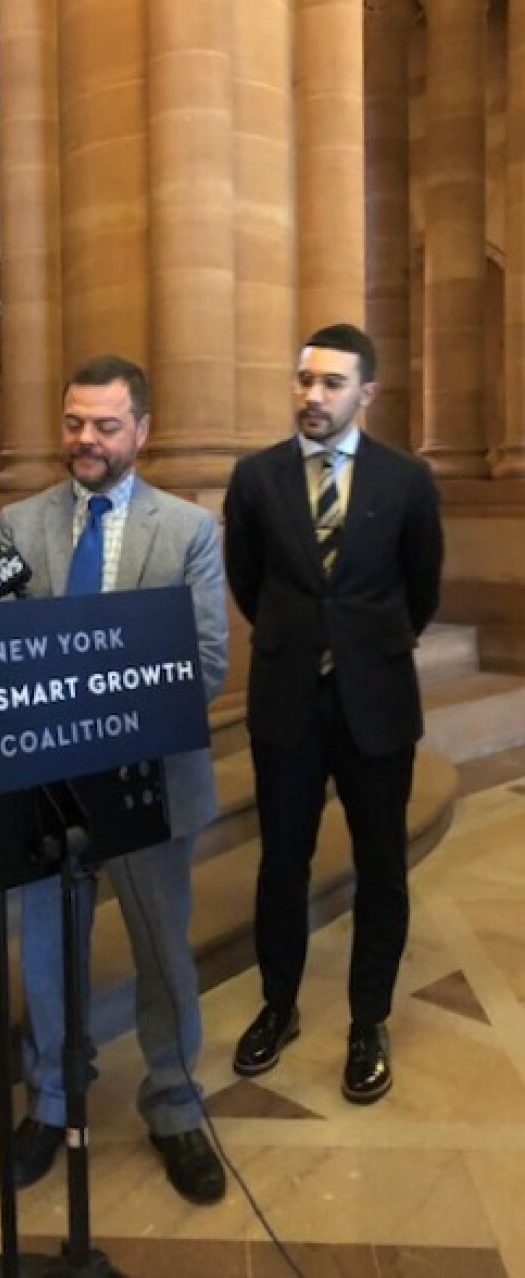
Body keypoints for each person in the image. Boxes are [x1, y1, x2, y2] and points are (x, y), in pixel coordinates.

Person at [0, 354, 229, 1205]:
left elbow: (205, 666)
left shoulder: (189, 531)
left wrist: (95, 709)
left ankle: (173, 1104)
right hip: (48, 789)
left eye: (103, 425)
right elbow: (4, 656)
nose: (84, 440)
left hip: (151, 786)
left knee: (163, 953)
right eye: (72, 423)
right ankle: (52, 1101)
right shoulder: (20, 526)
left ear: (142, 431)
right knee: (48, 955)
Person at [223, 323, 444, 1103]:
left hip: (376, 705)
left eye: (330, 384)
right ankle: (278, 1006)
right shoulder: (254, 479)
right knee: (282, 862)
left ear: (365, 394)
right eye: (303, 380)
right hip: (286, 702)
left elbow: (422, 589)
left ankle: (367, 1022)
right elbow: (247, 582)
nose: (311, 397)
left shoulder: (407, 480)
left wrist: (364, 646)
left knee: (380, 867)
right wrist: (302, 641)